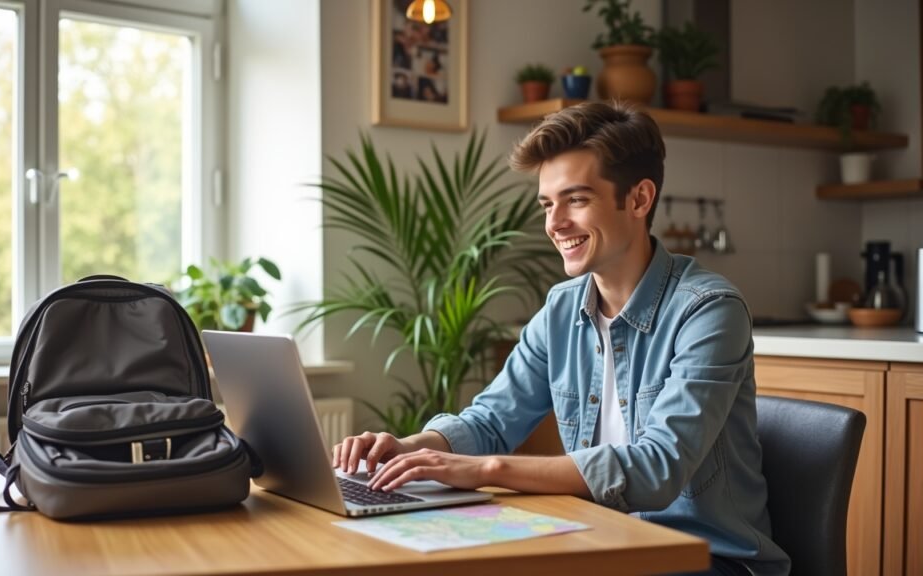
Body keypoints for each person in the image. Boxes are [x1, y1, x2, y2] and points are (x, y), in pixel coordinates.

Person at [332, 101, 791, 576]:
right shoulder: (562, 308)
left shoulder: (708, 310)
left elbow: (657, 468)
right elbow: (491, 421)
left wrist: (487, 470)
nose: (554, 224)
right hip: (603, 538)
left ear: (638, 199)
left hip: (709, 558)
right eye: (548, 204)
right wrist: (409, 448)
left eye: (576, 199)